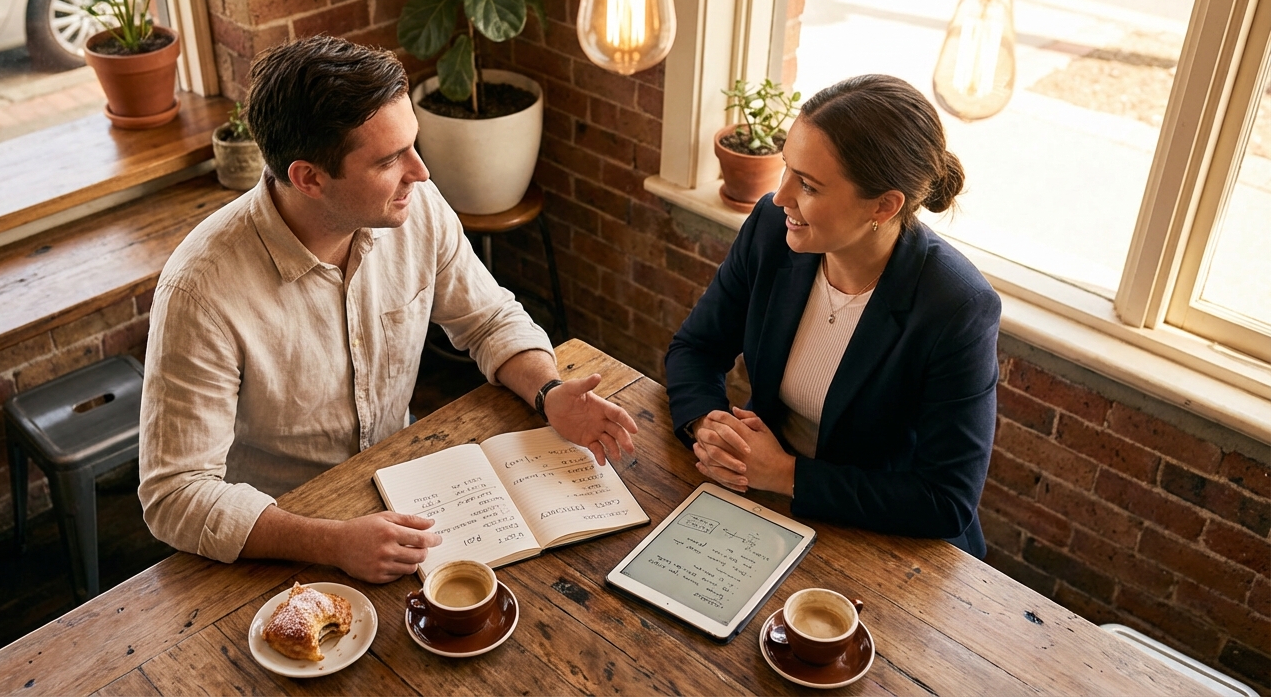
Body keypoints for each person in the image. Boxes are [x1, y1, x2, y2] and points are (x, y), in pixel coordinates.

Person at [139, 36, 638, 583]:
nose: (421, 172)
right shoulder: (200, 293)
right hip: (281, 533)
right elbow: (175, 495)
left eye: (412, 145)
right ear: (309, 177)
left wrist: (549, 391)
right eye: (389, 159)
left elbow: (488, 318)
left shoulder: (413, 206)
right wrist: (331, 542)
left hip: (405, 485)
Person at [665, 74, 1001, 558]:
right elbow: (696, 349)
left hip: (889, 544)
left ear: (884, 206)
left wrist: (785, 474)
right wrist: (709, 426)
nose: (781, 196)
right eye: (787, 168)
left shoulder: (958, 307)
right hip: (765, 507)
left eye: (809, 186)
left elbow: (945, 500)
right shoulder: (769, 227)